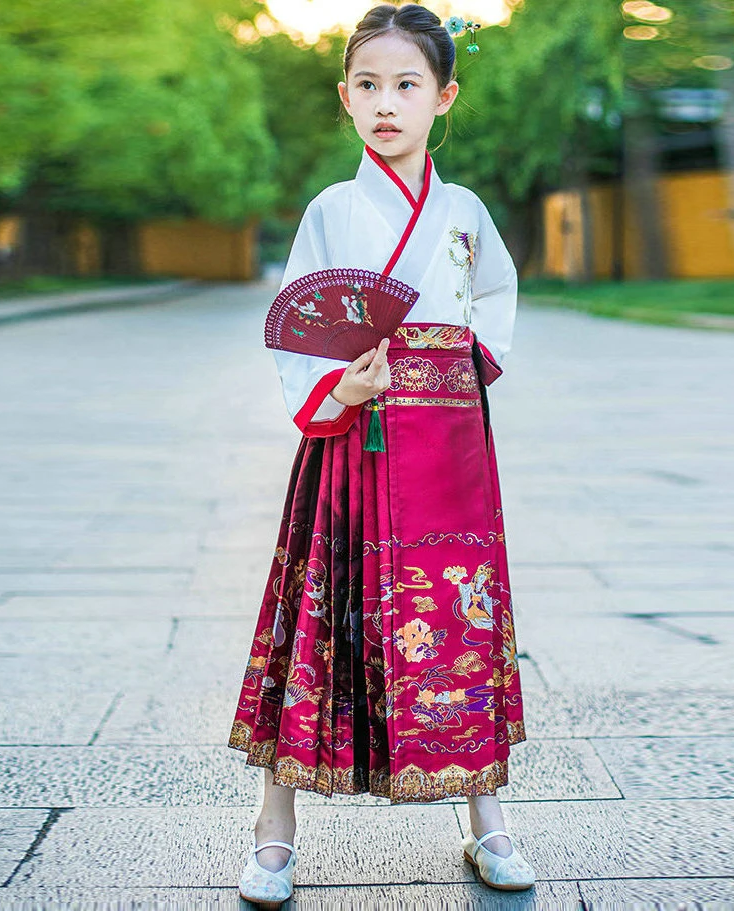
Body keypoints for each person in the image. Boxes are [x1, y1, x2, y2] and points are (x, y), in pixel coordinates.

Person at [228, 4, 535, 905]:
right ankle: (273, 831)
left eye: (407, 85)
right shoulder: (331, 209)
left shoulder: (464, 209)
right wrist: (342, 388)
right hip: (351, 442)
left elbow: (496, 296)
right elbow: (299, 326)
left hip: (447, 444)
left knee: (459, 620)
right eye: (368, 85)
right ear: (344, 99)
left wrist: (462, 363)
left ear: (445, 96)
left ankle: (488, 820)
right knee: (322, 612)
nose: (386, 103)